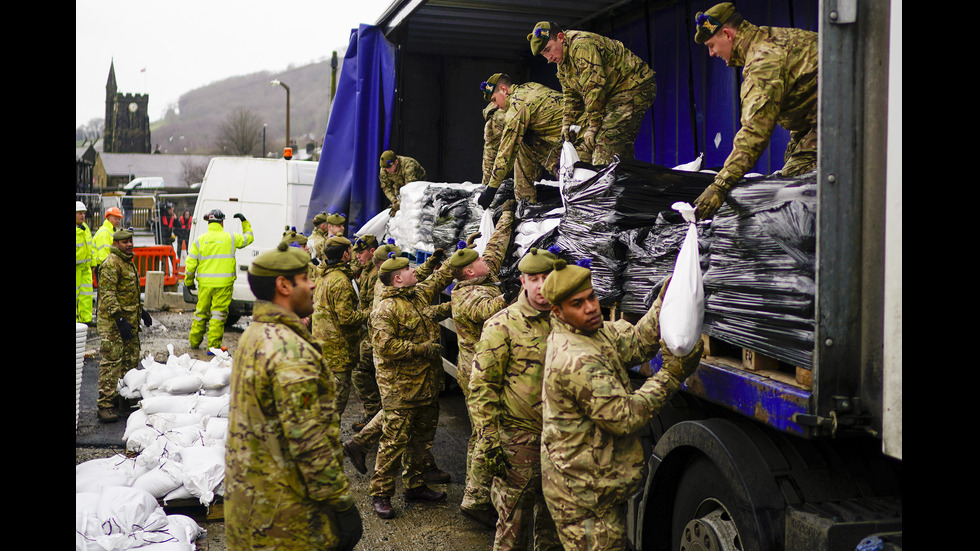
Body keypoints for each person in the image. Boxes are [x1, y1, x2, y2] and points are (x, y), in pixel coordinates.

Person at [539, 260, 704, 549]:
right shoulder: (575, 358)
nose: (591, 307)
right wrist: (673, 373)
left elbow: (638, 343)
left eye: (591, 297)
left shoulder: (594, 331)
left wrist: (667, 299)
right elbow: (624, 417)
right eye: (578, 303)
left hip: (595, 488)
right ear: (557, 311)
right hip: (583, 502)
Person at [225, 238, 362, 551]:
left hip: (253, 502)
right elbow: (309, 441)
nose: (313, 285)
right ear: (283, 285)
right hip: (285, 517)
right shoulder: (289, 351)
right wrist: (342, 504)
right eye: (305, 279)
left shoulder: (254, 334)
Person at [468, 246, 562, 551]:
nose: (540, 285)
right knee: (513, 528)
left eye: (546, 277)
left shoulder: (568, 319)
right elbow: (482, 387)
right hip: (517, 442)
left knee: (553, 526)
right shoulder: (502, 325)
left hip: (561, 440)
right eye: (533, 278)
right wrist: (490, 440)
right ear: (522, 281)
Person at [692, 2, 818, 220]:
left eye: (712, 45)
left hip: (846, 121)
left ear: (727, 34)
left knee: (790, 198)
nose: (712, 53)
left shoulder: (762, 60)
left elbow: (754, 132)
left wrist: (720, 185)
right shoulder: (774, 38)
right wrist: (794, 147)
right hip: (838, 115)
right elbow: (811, 96)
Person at [367, 249, 454, 519]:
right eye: (407, 270)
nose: (413, 271)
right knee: (394, 442)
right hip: (401, 388)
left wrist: (457, 298)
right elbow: (385, 346)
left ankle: (415, 486)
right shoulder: (386, 309)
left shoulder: (415, 295)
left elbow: (438, 281)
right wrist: (422, 349)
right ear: (397, 280)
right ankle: (381, 494)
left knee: (421, 440)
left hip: (426, 384)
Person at [449, 198, 517, 526]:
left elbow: (495, 248)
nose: (484, 260)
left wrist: (507, 214)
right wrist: (513, 295)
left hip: (485, 367)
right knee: (486, 433)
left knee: (482, 433)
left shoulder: (480, 273)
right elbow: (487, 311)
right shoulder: (466, 296)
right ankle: (475, 498)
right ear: (469, 272)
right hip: (477, 374)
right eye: (478, 260)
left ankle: (476, 493)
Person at [527, 21, 657, 167]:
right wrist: (567, 124)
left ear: (560, 37)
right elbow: (571, 98)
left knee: (605, 140)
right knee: (618, 149)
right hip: (614, 95)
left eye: (548, 49)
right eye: (544, 54)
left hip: (634, 86)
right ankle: (627, 185)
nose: (548, 58)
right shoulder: (562, 65)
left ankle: (602, 185)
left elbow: (593, 87)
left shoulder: (582, 45)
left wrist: (593, 127)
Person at [477, 74, 588, 207]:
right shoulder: (530, 86)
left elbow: (506, 152)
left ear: (503, 89)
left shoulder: (517, 107)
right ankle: (526, 203)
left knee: (585, 200)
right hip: (577, 137)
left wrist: (490, 189)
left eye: (494, 99)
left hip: (583, 144)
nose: (496, 105)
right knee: (524, 141)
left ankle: (526, 204)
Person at [95, 228, 152, 423]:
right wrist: (119, 319)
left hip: (130, 321)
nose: (129, 244)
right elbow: (108, 295)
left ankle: (124, 399)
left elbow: (130, 292)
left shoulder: (128, 262)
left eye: (130, 241)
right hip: (114, 323)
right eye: (124, 242)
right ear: (116, 244)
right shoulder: (112, 264)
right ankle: (105, 405)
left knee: (129, 362)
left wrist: (141, 311)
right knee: (112, 363)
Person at [311, 235, 367, 420]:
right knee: (335, 404)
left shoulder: (324, 274)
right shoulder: (340, 281)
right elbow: (347, 318)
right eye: (351, 250)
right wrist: (370, 313)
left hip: (323, 348)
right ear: (345, 254)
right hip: (337, 352)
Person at [183, 209, 254, 352]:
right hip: (224, 285)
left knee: (201, 313)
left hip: (205, 285)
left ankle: (194, 342)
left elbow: (190, 265)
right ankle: (213, 347)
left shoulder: (199, 241)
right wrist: (244, 222)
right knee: (218, 315)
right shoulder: (231, 238)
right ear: (222, 222)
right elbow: (249, 238)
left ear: (208, 222)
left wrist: (188, 282)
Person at [350, 234, 383, 430]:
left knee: (361, 372)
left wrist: (354, 317)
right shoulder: (365, 270)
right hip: (367, 331)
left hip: (375, 332)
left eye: (361, 252)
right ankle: (375, 414)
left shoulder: (376, 275)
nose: (358, 256)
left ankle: (374, 415)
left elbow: (375, 308)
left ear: (372, 252)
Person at [379, 150, 427, 215]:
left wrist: (399, 204)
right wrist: (394, 201)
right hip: (400, 187)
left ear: (396, 162)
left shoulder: (409, 165)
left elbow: (410, 189)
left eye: (389, 167)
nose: (387, 170)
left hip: (419, 188)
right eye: (385, 168)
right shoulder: (384, 169)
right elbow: (386, 188)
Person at [76, 201, 97, 326]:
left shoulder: (85, 228)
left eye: (83, 213)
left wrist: (92, 263)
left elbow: (91, 248)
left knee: (86, 295)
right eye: (79, 213)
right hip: (77, 268)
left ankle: (86, 319)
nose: (82, 216)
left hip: (85, 269)